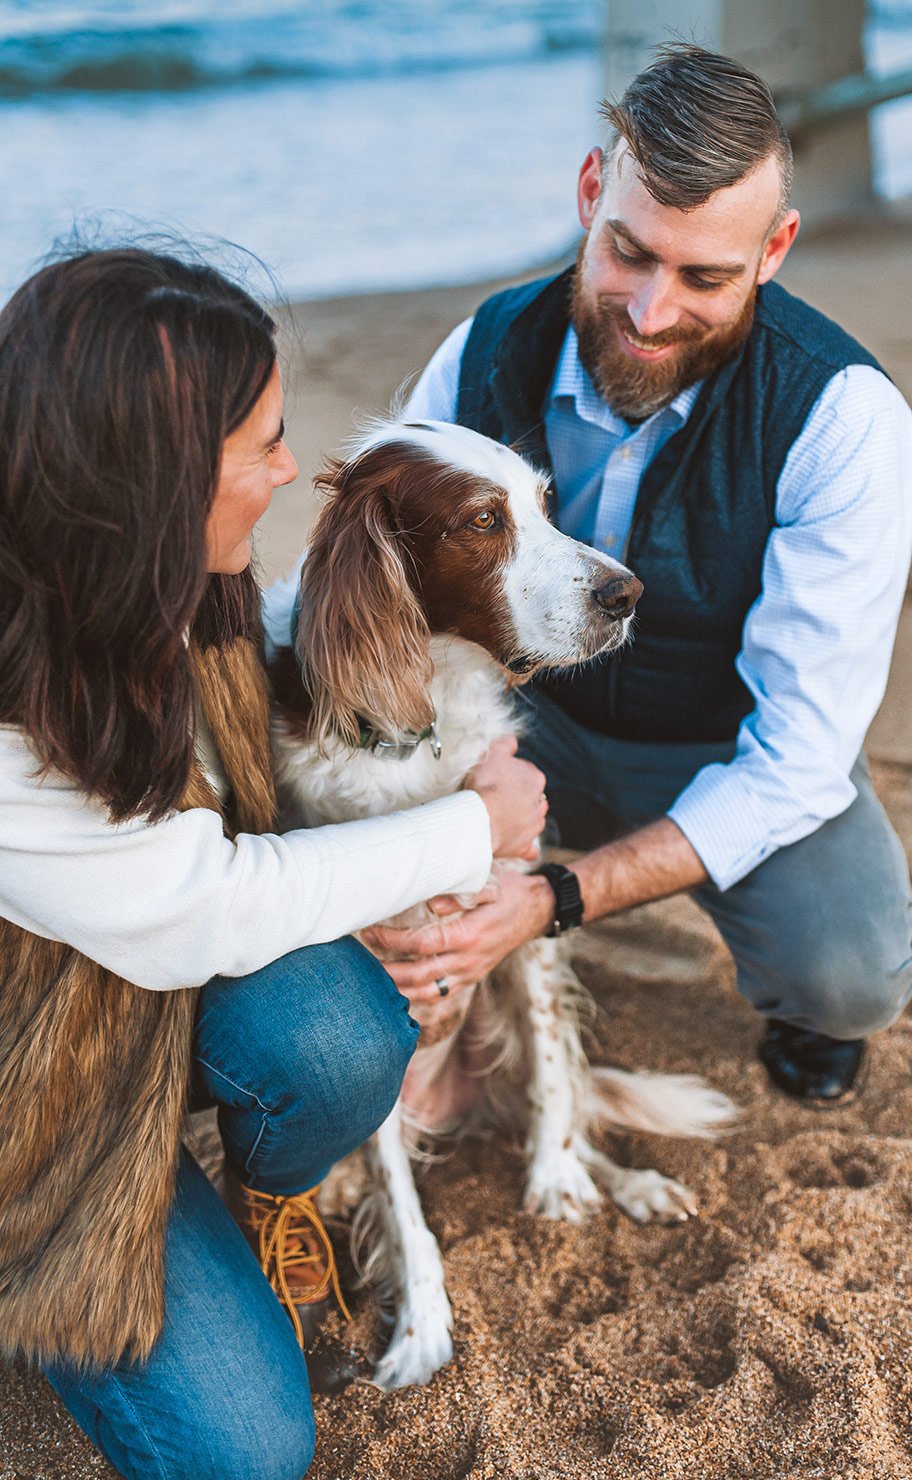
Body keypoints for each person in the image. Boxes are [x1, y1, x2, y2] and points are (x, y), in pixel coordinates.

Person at [0, 246, 547, 1479]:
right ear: (143, 486)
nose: (290, 471)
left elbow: (332, 652)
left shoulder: (174, 585)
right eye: (259, 448)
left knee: (345, 1031)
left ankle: (267, 1196)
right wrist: (480, 825)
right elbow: (194, 907)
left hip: (132, 1010)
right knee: (240, 1452)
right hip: (31, 1117)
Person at [309, 42, 912, 1110]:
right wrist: (459, 802)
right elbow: (383, 609)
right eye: (628, 254)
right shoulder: (480, 350)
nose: (650, 314)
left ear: (774, 249)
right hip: (503, 721)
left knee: (850, 973)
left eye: (704, 277)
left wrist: (548, 896)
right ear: (592, 193)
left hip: (712, 744)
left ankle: (796, 1007)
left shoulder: (845, 420)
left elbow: (798, 758)